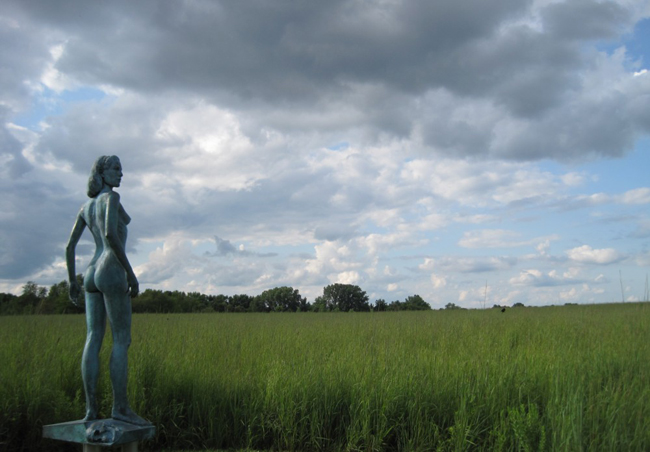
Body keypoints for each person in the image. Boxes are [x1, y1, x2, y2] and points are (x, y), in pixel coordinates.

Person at [66, 155, 149, 426]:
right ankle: (120, 408)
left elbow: (69, 247)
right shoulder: (109, 200)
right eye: (116, 169)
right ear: (101, 173)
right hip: (110, 269)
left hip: (90, 272)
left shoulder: (86, 206)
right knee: (122, 340)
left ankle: (91, 410)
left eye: (122, 169)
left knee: (93, 337)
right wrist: (131, 273)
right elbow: (113, 235)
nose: (121, 174)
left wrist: (72, 281)